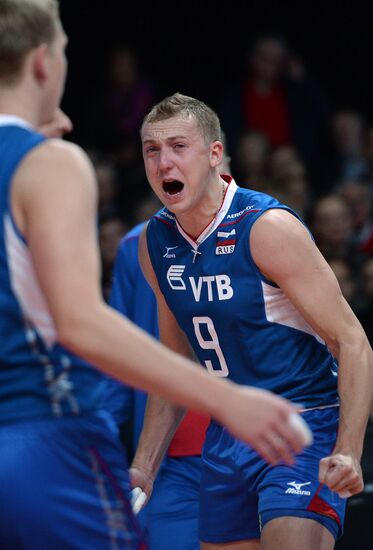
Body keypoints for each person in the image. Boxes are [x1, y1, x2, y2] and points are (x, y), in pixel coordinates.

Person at [0, 2, 308, 548]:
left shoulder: (264, 223)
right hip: (43, 430)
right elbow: (82, 322)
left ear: (215, 157)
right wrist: (228, 399)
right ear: (45, 62)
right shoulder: (51, 162)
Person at [130, 93, 373, 550]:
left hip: (303, 425)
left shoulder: (266, 227)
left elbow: (353, 341)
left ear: (214, 155)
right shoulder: (155, 241)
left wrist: (349, 450)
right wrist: (143, 466)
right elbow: (174, 365)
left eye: (178, 146)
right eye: (152, 149)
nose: (164, 163)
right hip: (228, 436)